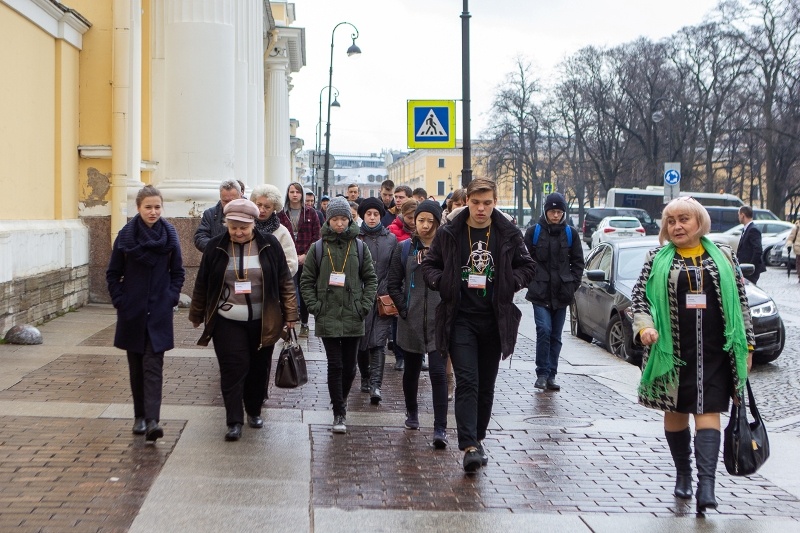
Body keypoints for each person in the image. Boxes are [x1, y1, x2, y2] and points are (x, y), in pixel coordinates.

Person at [631, 196, 754, 514]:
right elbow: (640, 299)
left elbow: (740, 304)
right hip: (672, 353)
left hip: (716, 352)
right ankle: (683, 474)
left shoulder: (724, 256)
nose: (676, 226)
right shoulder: (656, 257)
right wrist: (644, 328)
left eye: (683, 219)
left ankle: (707, 485)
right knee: (675, 413)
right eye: (671, 221)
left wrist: (748, 347)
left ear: (700, 222)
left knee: (709, 411)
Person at [421, 178, 535, 473]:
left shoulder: (508, 233)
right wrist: (442, 282)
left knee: (485, 386)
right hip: (461, 319)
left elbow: (528, 266)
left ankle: (478, 438)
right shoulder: (450, 232)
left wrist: (512, 283)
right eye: (475, 202)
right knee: (468, 381)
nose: (481, 209)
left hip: (494, 321)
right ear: (468, 201)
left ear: (495, 202)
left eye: (487, 203)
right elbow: (430, 266)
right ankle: (469, 445)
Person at [189, 199, 298, 441]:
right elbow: (202, 283)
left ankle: (254, 410)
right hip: (227, 319)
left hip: (263, 319)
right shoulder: (216, 247)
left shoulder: (269, 245)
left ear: (253, 224)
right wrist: (197, 313)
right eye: (233, 227)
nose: (238, 233)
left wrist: (291, 314)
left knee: (258, 369)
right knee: (232, 368)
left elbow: (284, 282)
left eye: (243, 228)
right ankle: (234, 420)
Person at [106, 185, 185, 442]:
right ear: (138, 208)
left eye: (157, 207)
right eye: (148, 207)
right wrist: (121, 300)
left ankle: (152, 420)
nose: (153, 212)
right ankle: (139, 416)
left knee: (153, 365)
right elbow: (112, 273)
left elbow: (178, 273)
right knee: (136, 367)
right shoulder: (126, 236)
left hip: (159, 311)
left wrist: (171, 297)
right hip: (133, 311)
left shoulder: (170, 235)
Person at [300, 197, 378, 434]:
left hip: (354, 315)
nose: (340, 223)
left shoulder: (360, 247)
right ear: (329, 220)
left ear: (350, 219)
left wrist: (363, 306)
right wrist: (316, 307)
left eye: (344, 218)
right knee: (335, 364)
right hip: (328, 314)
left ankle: (341, 401)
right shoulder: (318, 248)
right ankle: (339, 412)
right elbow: (306, 281)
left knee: (351, 367)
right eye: (335, 219)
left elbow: (371, 279)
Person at [388, 200, 449, 449]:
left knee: (437, 372)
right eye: (420, 220)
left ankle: (440, 428)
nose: (424, 225)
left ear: (436, 222)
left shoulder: (446, 249)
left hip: (438, 321)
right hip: (410, 320)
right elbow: (393, 282)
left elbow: (454, 280)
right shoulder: (404, 248)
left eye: (429, 220)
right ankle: (412, 414)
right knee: (411, 371)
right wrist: (403, 308)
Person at [524, 192, 584, 391]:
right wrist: (530, 282)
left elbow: (577, 262)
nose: (556, 215)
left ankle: (551, 375)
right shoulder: (533, 232)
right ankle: (541, 373)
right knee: (544, 330)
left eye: (559, 211)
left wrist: (572, 284)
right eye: (552, 211)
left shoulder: (571, 234)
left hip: (562, 292)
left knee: (556, 336)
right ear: (546, 211)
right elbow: (524, 260)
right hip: (539, 292)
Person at [356, 197, 397, 404]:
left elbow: (394, 269)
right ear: (362, 215)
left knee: (378, 342)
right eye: (368, 214)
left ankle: (376, 385)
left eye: (376, 214)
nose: (372, 218)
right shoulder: (355, 238)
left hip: (382, 299)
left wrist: (388, 289)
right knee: (361, 342)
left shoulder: (390, 239)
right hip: (360, 299)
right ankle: (364, 377)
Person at [278, 182, 321, 336]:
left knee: (304, 291)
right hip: (287, 260)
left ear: (302, 194)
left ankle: (304, 323)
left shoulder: (310, 213)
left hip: (305, 259)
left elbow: (317, 237)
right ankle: (287, 323)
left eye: (297, 191)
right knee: (288, 291)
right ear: (287, 194)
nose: (295, 194)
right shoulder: (281, 214)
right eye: (291, 191)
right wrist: (290, 256)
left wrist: (305, 255)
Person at [250, 184, 298, 277]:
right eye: (258, 205)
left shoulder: (282, 232)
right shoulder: (245, 228)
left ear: (274, 208)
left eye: (267, 207)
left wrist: (271, 278)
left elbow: (292, 264)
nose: (261, 210)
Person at [193, 179, 244, 252]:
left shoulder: (251, 213)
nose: (228, 205)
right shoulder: (210, 214)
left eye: (232, 201)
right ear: (220, 198)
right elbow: (200, 238)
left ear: (241, 196)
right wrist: (217, 249)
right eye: (225, 201)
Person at [736, 206, 766, 284]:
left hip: (750, 271)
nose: (738, 217)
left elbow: (758, 250)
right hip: (745, 269)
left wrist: (750, 267)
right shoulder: (747, 228)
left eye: (738, 214)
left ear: (743, 215)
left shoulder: (753, 229)